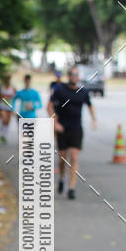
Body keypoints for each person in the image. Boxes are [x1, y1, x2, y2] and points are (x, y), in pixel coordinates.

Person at [48, 66, 97, 199]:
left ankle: (71, 188)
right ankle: (62, 178)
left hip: (76, 128)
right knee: (63, 158)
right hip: (62, 128)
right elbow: (50, 106)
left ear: (78, 77)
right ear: (68, 76)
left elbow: (90, 105)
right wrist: (55, 123)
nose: (74, 77)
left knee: (74, 157)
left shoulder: (83, 92)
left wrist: (94, 120)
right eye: (72, 74)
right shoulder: (60, 90)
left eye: (76, 75)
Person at [0, 76, 15, 142]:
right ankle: (1, 133)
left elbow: (14, 97)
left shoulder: (13, 87)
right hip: (2, 106)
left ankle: (4, 135)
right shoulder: (1, 87)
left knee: (7, 122)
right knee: (4, 119)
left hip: (9, 106)